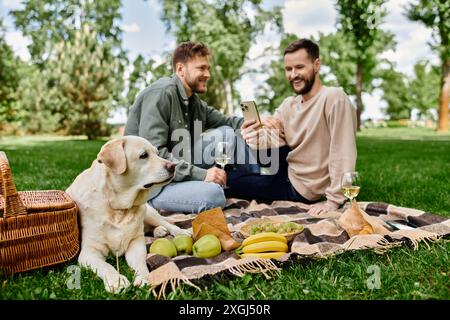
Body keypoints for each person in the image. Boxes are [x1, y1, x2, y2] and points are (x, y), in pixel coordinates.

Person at [226, 38, 357, 215]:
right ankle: (207, 177)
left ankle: (206, 181)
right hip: (286, 172)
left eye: (300, 67)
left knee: (231, 181)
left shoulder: (333, 98)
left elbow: (342, 151)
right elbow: (266, 144)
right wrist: (253, 129)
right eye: (288, 69)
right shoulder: (289, 105)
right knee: (232, 171)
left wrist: (333, 202)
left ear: (316, 65)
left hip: (302, 189)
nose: (293, 74)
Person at [124, 41, 259, 213]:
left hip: (177, 170)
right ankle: (154, 206)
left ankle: (257, 187)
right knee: (214, 196)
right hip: (151, 186)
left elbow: (229, 122)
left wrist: (258, 122)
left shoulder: (194, 102)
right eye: (201, 68)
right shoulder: (161, 94)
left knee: (227, 133)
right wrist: (203, 175)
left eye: (208, 68)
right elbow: (155, 157)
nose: (208, 74)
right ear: (180, 69)